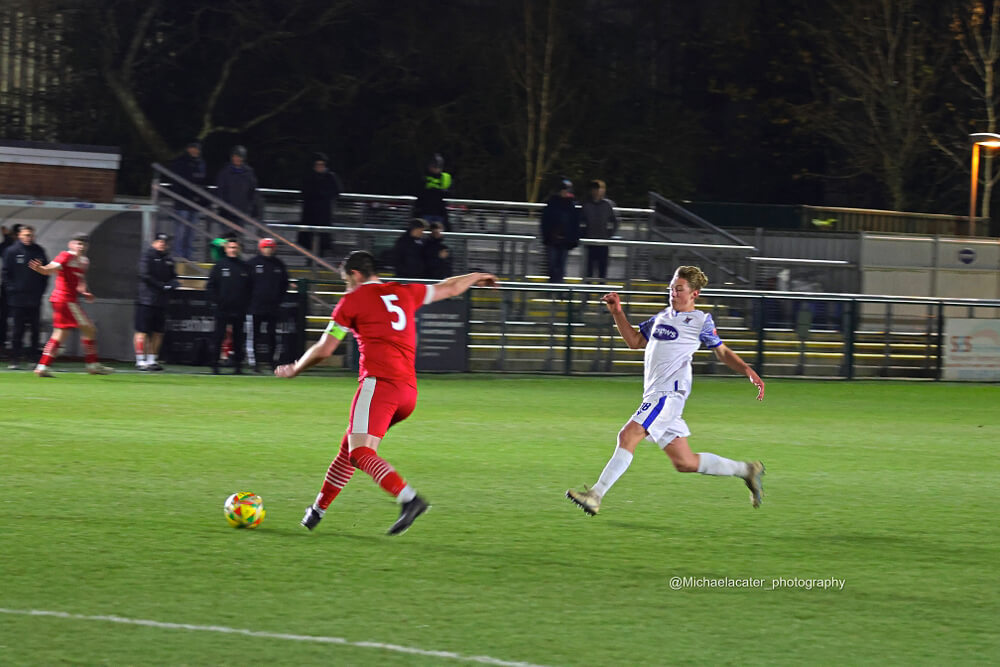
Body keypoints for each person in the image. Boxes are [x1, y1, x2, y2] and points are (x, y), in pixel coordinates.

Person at [276, 250, 497, 535]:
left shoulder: (352, 301)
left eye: (346, 281)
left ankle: (409, 499)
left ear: (355, 275)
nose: (346, 286)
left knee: (361, 452)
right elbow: (449, 287)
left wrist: (296, 367)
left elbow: (326, 348)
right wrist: (476, 276)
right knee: (349, 449)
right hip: (407, 392)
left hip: (378, 385)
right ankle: (317, 510)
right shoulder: (404, 292)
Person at [566, 265, 766, 516]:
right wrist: (617, 312)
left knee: (628, 435)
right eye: (671, 288)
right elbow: (634, 341)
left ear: (695, 293)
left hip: (668, 394)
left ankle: (595, 495)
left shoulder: (700, 320)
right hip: (655, 394)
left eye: (679, 289)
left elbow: (722, 351)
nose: (673, 293)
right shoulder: (661, 317)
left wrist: (748, 370)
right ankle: (746, 470)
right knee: (685, 462)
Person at [28, 233, 114, 377]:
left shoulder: (84, 261)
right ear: (71, 245)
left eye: (83, 244)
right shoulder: (65, 256)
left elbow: (80, 281)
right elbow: (51, 268)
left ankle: (42, 366)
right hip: (64, 299)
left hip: (65, 300)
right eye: (78, 243)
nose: (81, 247)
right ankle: (93, 365)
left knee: (61, 334)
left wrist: (84, 292)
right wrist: (41, 269)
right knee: (89, 329)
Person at [1, 225, 48, 369]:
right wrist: (12, 290)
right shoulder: (11, 251)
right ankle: (15, 359)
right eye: (26, 235)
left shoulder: (38, 251)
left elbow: (45, 272)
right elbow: (6, 273)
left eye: (31, 235)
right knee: (17, 330)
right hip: (17, 299)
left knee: (35, 329)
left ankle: (34, 358)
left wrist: (40, 291)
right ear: (20, 235)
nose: (29, 238)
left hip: (34, 298)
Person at [134, 232, 180, 371]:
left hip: (161, 301)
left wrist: (173, 283)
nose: (162, 244)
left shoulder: (169, 259)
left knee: (158, 332)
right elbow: (144, 275)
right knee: (141, 331)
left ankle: (152, 360)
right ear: (154, 242)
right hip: (146, 300)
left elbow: (174, 276)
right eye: (159, 241)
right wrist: (162, 285)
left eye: (164, 242)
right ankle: (140, 360)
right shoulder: (147, 257)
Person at [205, 238, 251, 374]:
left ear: (238, 249)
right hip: (222, 308)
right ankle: (214, 365)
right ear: (226, 249)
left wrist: (246, 303)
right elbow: (211, 286)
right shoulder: (219, 266)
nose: (233, 250)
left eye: (235, 247)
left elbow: (250, 287)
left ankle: (238, 366)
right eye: (230, 247)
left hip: (239, 308)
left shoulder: (244, 267)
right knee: (218, 336)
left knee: (238, 338)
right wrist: (216, 301)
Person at [246, 237, 290, 372]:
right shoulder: (252, 264)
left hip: (273, 307)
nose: (268, 250)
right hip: (255, 306)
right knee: (254, 335)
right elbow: (246, 285)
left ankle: (272, 362)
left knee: (272, 335)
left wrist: (278, 299)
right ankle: (254, 363)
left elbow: (284, 284)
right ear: (260, 248)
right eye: (265, 247)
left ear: (274, 249)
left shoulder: (279, 264)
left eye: (270, 247)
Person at [299, 152, 343, 260]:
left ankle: (318, 262)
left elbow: (337, 191)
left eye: (322, 165)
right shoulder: (309, 176)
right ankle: (310, 263)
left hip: (324, 213)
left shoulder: (330, 177)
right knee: (309, 242)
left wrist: (323, 195)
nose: (319, 167)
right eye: (317, 165)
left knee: (322, 242)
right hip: (310, 213)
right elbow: (304, 191)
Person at [169, 140, 207, 260]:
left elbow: (203, 181)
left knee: (191, 231)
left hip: (195, 202)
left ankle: (188, 256)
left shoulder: (201, 163)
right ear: (188, 149)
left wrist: (201, 199)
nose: (195, 151)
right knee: (181, 231)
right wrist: (180, 196)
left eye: (197, 149)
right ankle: (178, 256)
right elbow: (177, 182)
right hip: (182, 202)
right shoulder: (181, 162)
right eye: (193, 148)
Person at [540, 177, 581, 283]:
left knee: (561, 268)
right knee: (552, 267)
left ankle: (559, 293)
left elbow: (575, 223)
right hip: (553, 240)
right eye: (564, 190)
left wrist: (573, 240)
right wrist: (547, 237)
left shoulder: (572, 205)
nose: (566, 192)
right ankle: (551, 292)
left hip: (565, 241)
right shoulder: (552, 203)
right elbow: (545, 222)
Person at [215, 145, 260, 235]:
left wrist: (253, 207)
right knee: (227, 237)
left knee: (238, 237)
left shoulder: (248, 172)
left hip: (241, 211)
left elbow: (253, 191)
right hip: (227, 210)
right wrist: (222, 206)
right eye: (235, 156)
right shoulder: (225, 171)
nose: (237, 159)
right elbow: (220, 189)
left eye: (239, 156)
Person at [580, 179, 619, 281]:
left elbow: (616, 221)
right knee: (588, 271)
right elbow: (580, 221)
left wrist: (609, 234)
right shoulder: (586, 205)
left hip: (603, 243)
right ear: (591, 190)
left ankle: (602, 294)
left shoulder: (608, 205)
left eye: (601, 189)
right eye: (596, 189)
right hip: (590, 242)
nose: (598, 191)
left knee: (602, 272)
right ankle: (586, 295)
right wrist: (583, 234)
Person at [413, 153, 452, 230]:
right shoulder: (423, 177)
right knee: (425, 234)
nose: (436, 168)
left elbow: (450, 193)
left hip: (440, 212)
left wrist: (438, 191)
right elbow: (418, 192)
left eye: (438, 166)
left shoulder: (446, 177)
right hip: (425, 211)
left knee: (438, 234)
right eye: (434, 166)